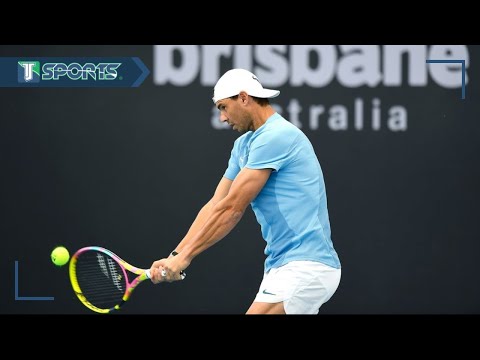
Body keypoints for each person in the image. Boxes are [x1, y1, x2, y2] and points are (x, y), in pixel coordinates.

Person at [149, 68, 341, 314]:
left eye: (222, 107)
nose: (222, 118)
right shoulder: (243, 145)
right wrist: (175, 254)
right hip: (280, 267)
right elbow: (216, 204)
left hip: (306, 266)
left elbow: (232, 209)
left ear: (243, 98)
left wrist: (185, 258)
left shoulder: (277, 135)